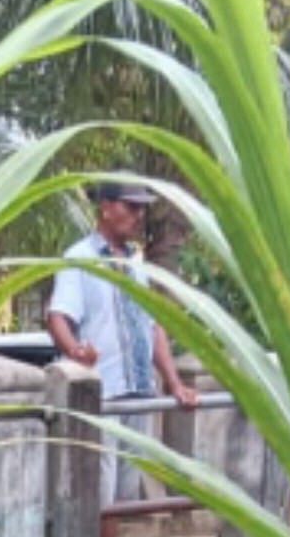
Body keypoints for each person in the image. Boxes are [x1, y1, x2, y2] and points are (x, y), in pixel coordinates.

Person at [45, 176, 200, 501]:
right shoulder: (80, 259)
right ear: (105, 208)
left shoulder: (136, 263)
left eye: (142, 209)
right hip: (103, 396)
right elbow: (58, 316)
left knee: (125, 496)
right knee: (100, 498)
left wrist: (174, 383)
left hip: (138, 393)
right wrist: (75, 350)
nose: (139, 216)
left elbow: (152, 326)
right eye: (131, 207)